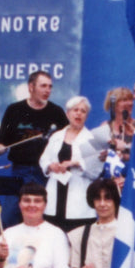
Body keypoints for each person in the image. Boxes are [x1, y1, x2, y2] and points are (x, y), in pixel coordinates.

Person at [0, 70, 68, 228]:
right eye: (43, 86)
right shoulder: (14, 110)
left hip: (45, 174)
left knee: (47, 219)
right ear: (31, 87)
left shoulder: (57, 113)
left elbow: (69, 140)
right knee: (8, 219)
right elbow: (1, 143)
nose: (48, 90)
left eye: (50, 86)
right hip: (20, 172)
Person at [39, 95, 100, 233]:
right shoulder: (56, 136)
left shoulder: (91, 139)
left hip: (79, 198)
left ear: (86, 116)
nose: (78, 113)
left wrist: (76, 163)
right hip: (56, 194)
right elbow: (44, 159)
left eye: (83, 111)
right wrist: (50, 166)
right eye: (75, 110)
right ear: (68, 113)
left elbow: (96, 169)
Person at [88, 86, 135, 162]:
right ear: (114, 105)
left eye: (131, 99)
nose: (130, 103)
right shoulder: (106, 126)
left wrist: (123, 156)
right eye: (124, 100)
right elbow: (98, 154)